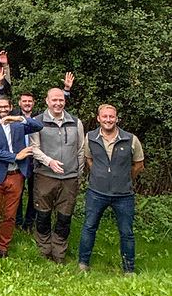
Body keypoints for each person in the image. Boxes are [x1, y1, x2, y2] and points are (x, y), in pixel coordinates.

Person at [78, 104, 144, 275]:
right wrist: (101, 175)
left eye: (111, 117)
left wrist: (124, 178)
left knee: (127, 233)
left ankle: (129, 269)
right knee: (89, 227)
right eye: (105, 116)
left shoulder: (131, 139)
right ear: (98, 118)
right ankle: (83, 264)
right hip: (96, 192)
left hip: (124, 195)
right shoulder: (90, 137)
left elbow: (138, 164)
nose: (108, 120)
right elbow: (89, 159)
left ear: (116, 118)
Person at [0, 95, 43, 257]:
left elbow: (39, 126)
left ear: (10, 107)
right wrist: (16, 156)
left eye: (5, 106)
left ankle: (3, 246)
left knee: (10, 214)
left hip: (16, 175)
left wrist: (19, 118)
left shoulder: (18, 123)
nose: (2, 109)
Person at [29, 88, 85, 264]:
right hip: (45, 176)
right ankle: (44, 250)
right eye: (54, 100)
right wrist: (49, 161)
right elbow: (34, 148)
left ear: (65, 101)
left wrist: (78, 174)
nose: (58, 103)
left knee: (64, 217)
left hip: (69, 178)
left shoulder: (75, 122)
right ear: (47, 101)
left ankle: (59, 253)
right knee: (43, 215)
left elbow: (81, 150)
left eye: (61, 100)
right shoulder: (37, 122)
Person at [14, 91, 37, 230]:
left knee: (34, 192)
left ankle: (29, 222)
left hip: (35, 160)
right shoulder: (14, 117)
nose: (27, 103)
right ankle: (17, 222)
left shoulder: (39, 118)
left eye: (29, 101)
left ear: (33, 103)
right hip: (20, 159)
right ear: (19, 103)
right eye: (24, 101)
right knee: (18, 191)